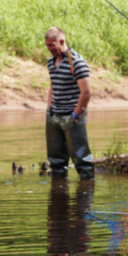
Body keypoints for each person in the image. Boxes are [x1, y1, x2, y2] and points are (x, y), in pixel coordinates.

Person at [45, 27, 94, 180]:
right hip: (54, 117)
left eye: (52, 45)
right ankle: (58, 193)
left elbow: (87, 92)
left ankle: (85, 197)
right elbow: (53, 85)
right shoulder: (51, 62)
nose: (50, 49)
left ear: (62, 42)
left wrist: (75, 115)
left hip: (72, 117)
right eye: (47, 45)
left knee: (82, 162)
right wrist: (48, 109)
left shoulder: (76, 62)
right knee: (56, 163)